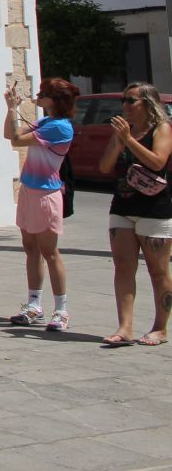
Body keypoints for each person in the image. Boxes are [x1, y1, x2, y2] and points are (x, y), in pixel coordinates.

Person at [101, 82, 172, 347]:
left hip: (154, 209)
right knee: (123, 267)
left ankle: (160, 328)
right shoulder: (121, 131)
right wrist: (120, 141)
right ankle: (125, 328)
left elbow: (157, 161)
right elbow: (105, 166)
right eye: (124, 100)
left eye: (131, 100)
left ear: (147, 103)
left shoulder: (161, 129)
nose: (125, 105)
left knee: (158, 271)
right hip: (122, 206)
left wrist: (129, 140)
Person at [3, 77, 76, 331]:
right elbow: (9, 134)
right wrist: (11, 109)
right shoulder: (45, 121)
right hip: (29, 190)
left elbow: (16, 139)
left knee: (50, 252)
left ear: (55, 100)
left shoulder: (61, 127)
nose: (38, 96)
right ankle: (34, 305)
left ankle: (61, 310)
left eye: (43, 94)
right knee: (30, 248)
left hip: (47, 194)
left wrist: (14, 110)